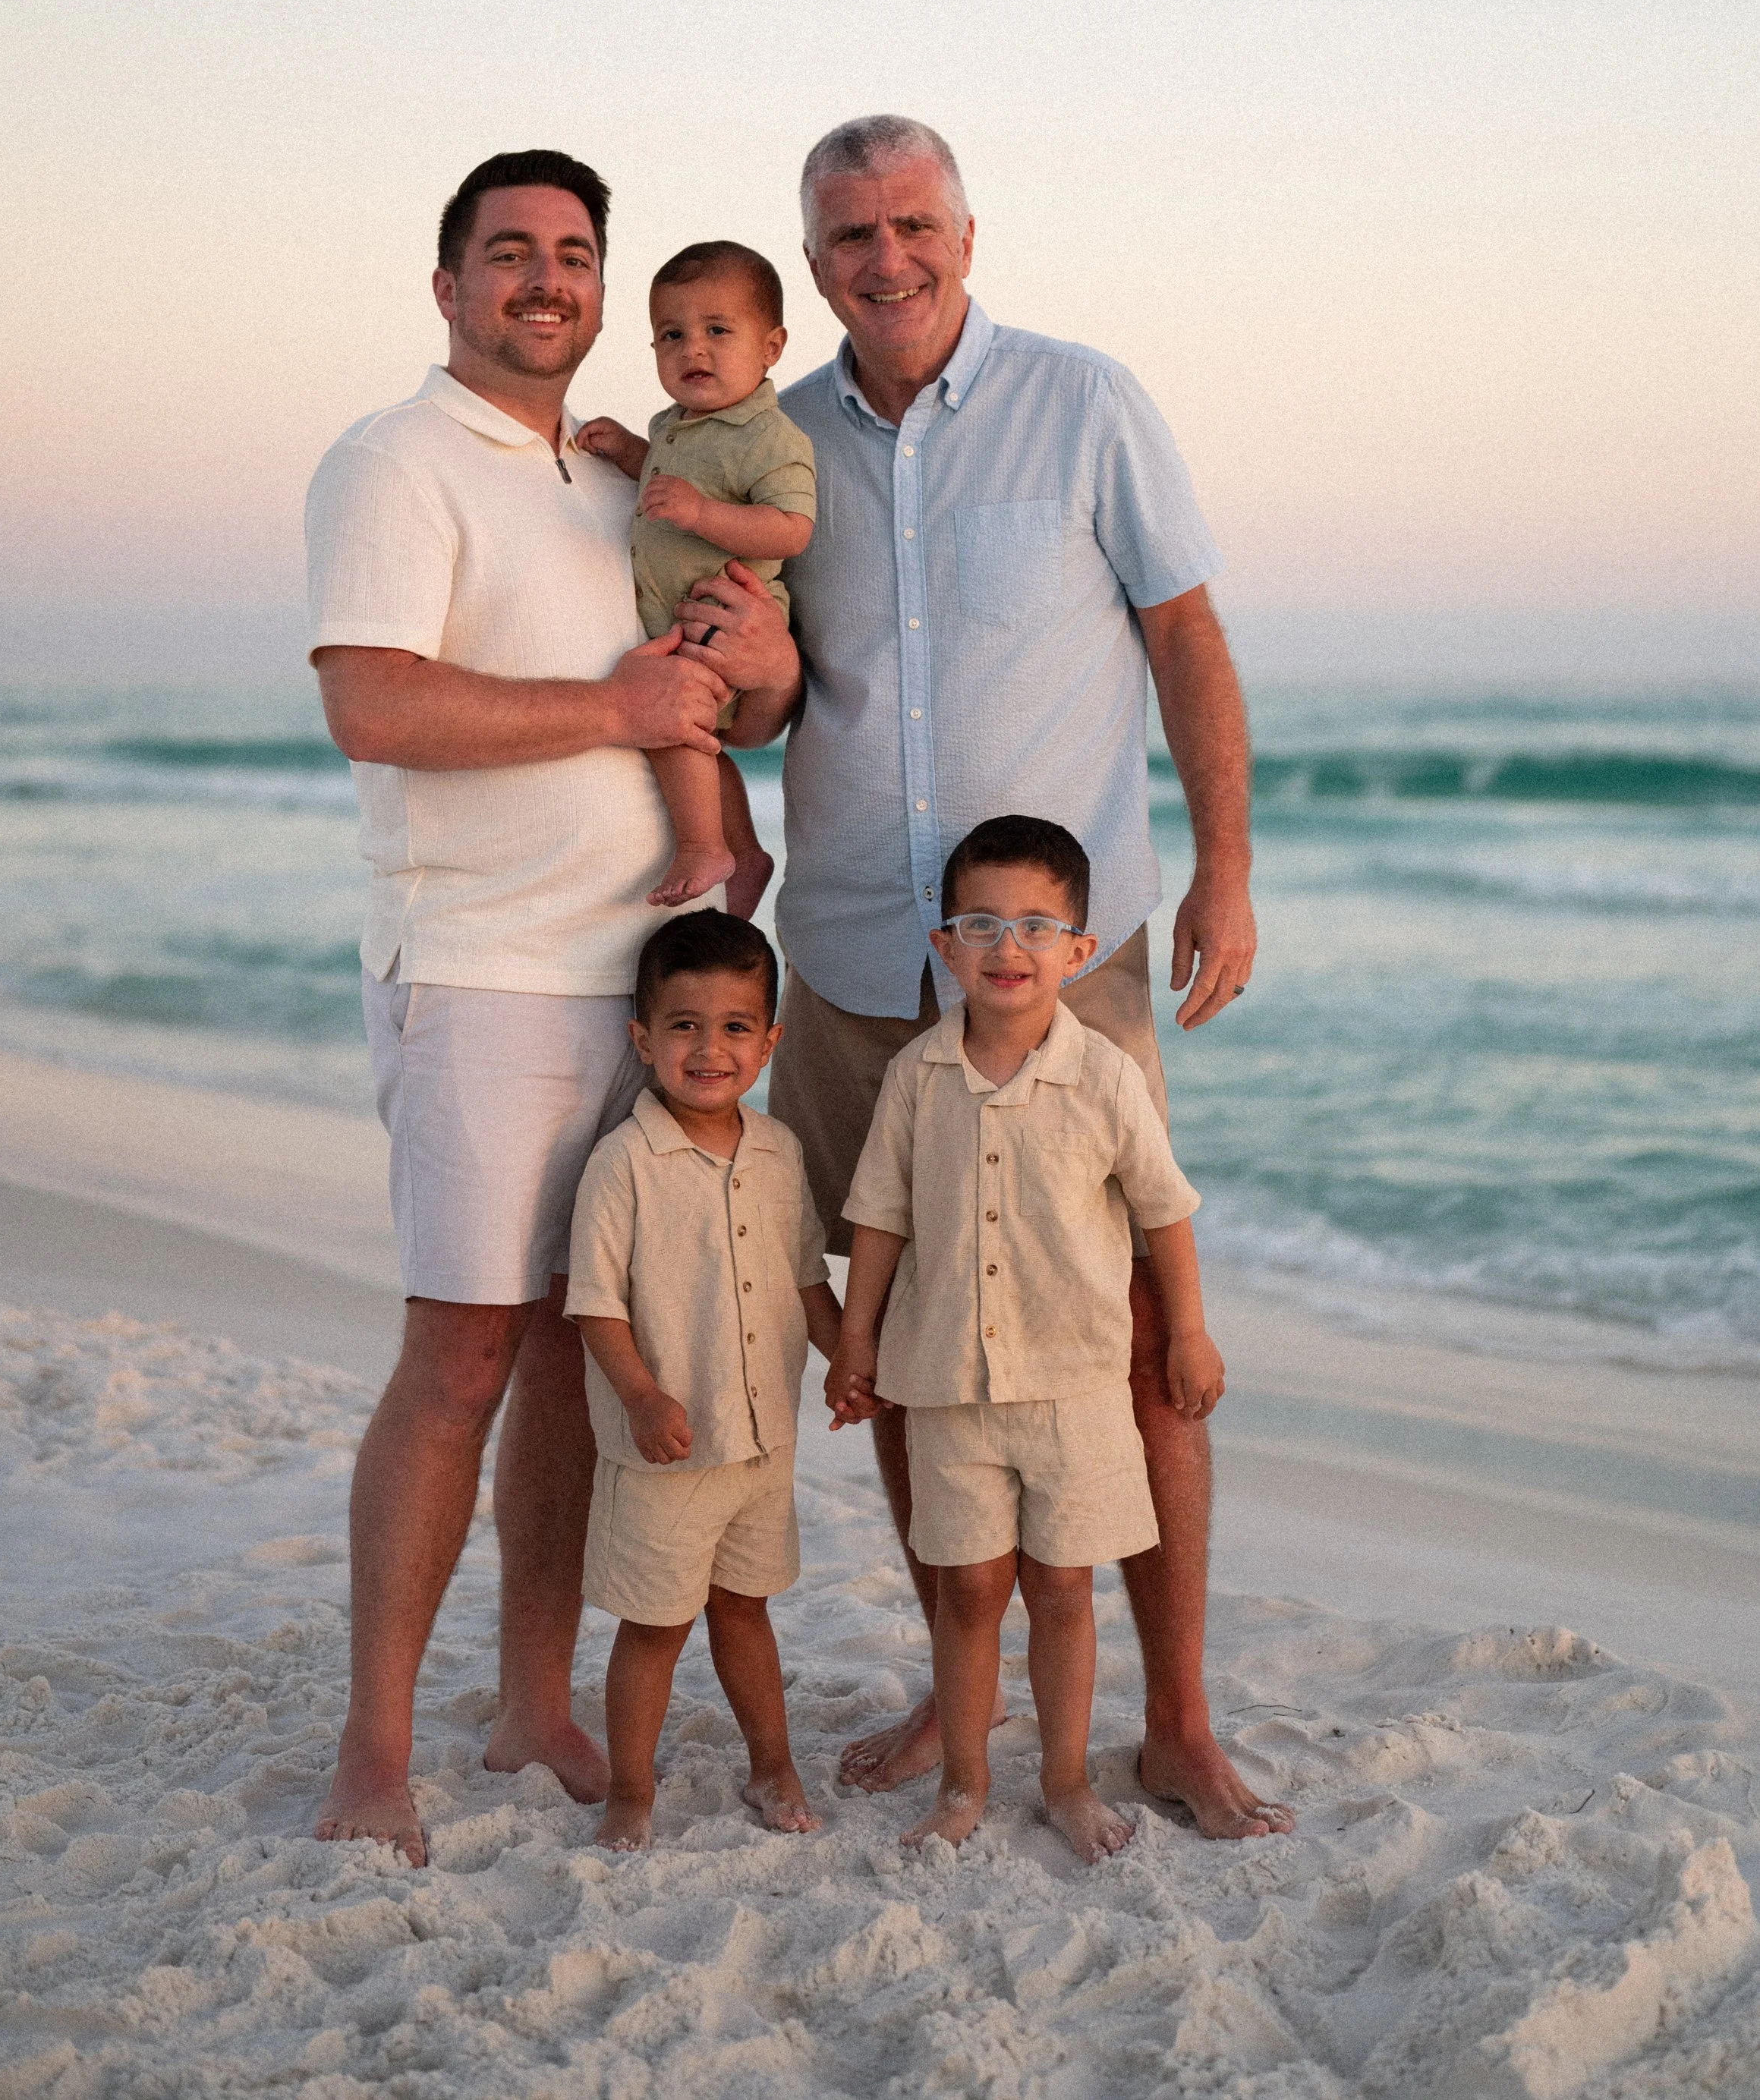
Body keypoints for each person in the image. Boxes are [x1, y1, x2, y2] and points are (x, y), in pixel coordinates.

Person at [664, 112, 1292, 1840]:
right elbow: (776, 693)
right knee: (905, 1348)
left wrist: (1226, 869)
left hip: (1061, 981)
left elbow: (1186, 635)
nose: (889, 256)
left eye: (915, 222)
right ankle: (957, 1701)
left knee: (1142, 1337)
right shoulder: (776, 451)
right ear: (813, 263)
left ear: (966, 228)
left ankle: (1174, 1719)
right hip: (861, 961)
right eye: (851, 233)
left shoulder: (1086, 403)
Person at [303, 149, 751, 1868]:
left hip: (631, 988)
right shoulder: (395, 459)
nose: (545, 281)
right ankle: (374, 1748)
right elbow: (374, 703)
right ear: (447, 285)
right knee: (462, 1354)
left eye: (573, 254)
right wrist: (614, 702)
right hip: (480, 971)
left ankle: (533, 1702)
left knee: (573, 1351)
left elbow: (710, 686)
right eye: (510, 253)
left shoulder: (613, 476)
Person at [828, 817, 1223, 1862]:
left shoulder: (1104, 1078)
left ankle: (1064, 1780)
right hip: (949, 1387)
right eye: (983, 924)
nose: (1010, 946)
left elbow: (1163, 1211)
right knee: (968, 1588)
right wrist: (855, 1340)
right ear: (944, 945)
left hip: (1077, 1386)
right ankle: (964, 1782)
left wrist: (1188, 1330)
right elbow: (879, 1217)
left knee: (1061, 1587)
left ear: (1078, 952)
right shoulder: (916, 1078)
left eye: (1038, 926)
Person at [567, 908, 842, 1849]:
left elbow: (807, 1272)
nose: (709, 1047)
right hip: (668, 1450)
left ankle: (773, 1768)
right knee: (653, 1627)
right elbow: (596, 1302)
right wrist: (642, 1396)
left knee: (746, 1610)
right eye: (683, 1025)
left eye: (733, 1027)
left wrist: (849, 1354)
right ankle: (629, 1796)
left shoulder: (778, 1152)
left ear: (768, 1042)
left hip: (763, 1441)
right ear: (642, 1038)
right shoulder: (623, 1164)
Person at [575, 241, 816, 916]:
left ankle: (702, 846)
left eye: (718, 331)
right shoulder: (678, 428)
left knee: (673, 727)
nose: (693, 350)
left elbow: (790, 527)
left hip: (721, 619)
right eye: (671, 335)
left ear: (771, 346)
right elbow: (666, 480)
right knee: (706, 748)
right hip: (688, 620)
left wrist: (704, 514)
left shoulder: (771, 436)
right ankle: (743, 848)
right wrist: (630, 452)